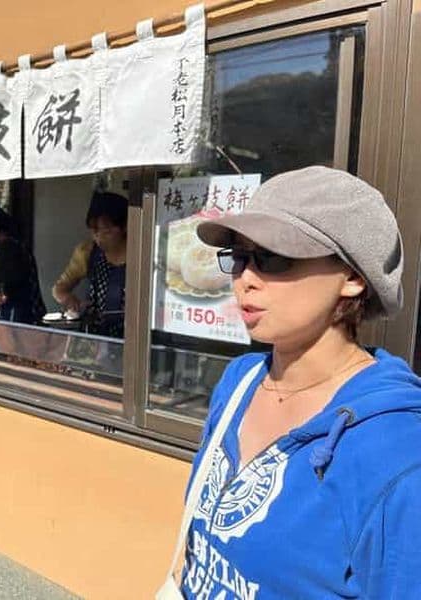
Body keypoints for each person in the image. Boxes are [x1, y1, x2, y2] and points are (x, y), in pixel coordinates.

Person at [165, 166, 420, 598]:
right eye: (239, 257)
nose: (245, 279)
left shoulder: (398, 453)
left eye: (273, 257)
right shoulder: (240, 381)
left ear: (353, 277)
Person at [52, 191, 127, 337]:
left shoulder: (141, 255)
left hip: (131, 337)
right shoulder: (87, 252)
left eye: (105, 230)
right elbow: (59, 288)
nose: (98, 236)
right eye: (94, 230)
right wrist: (68, 299)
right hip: (94, 337)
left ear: (124, 227)